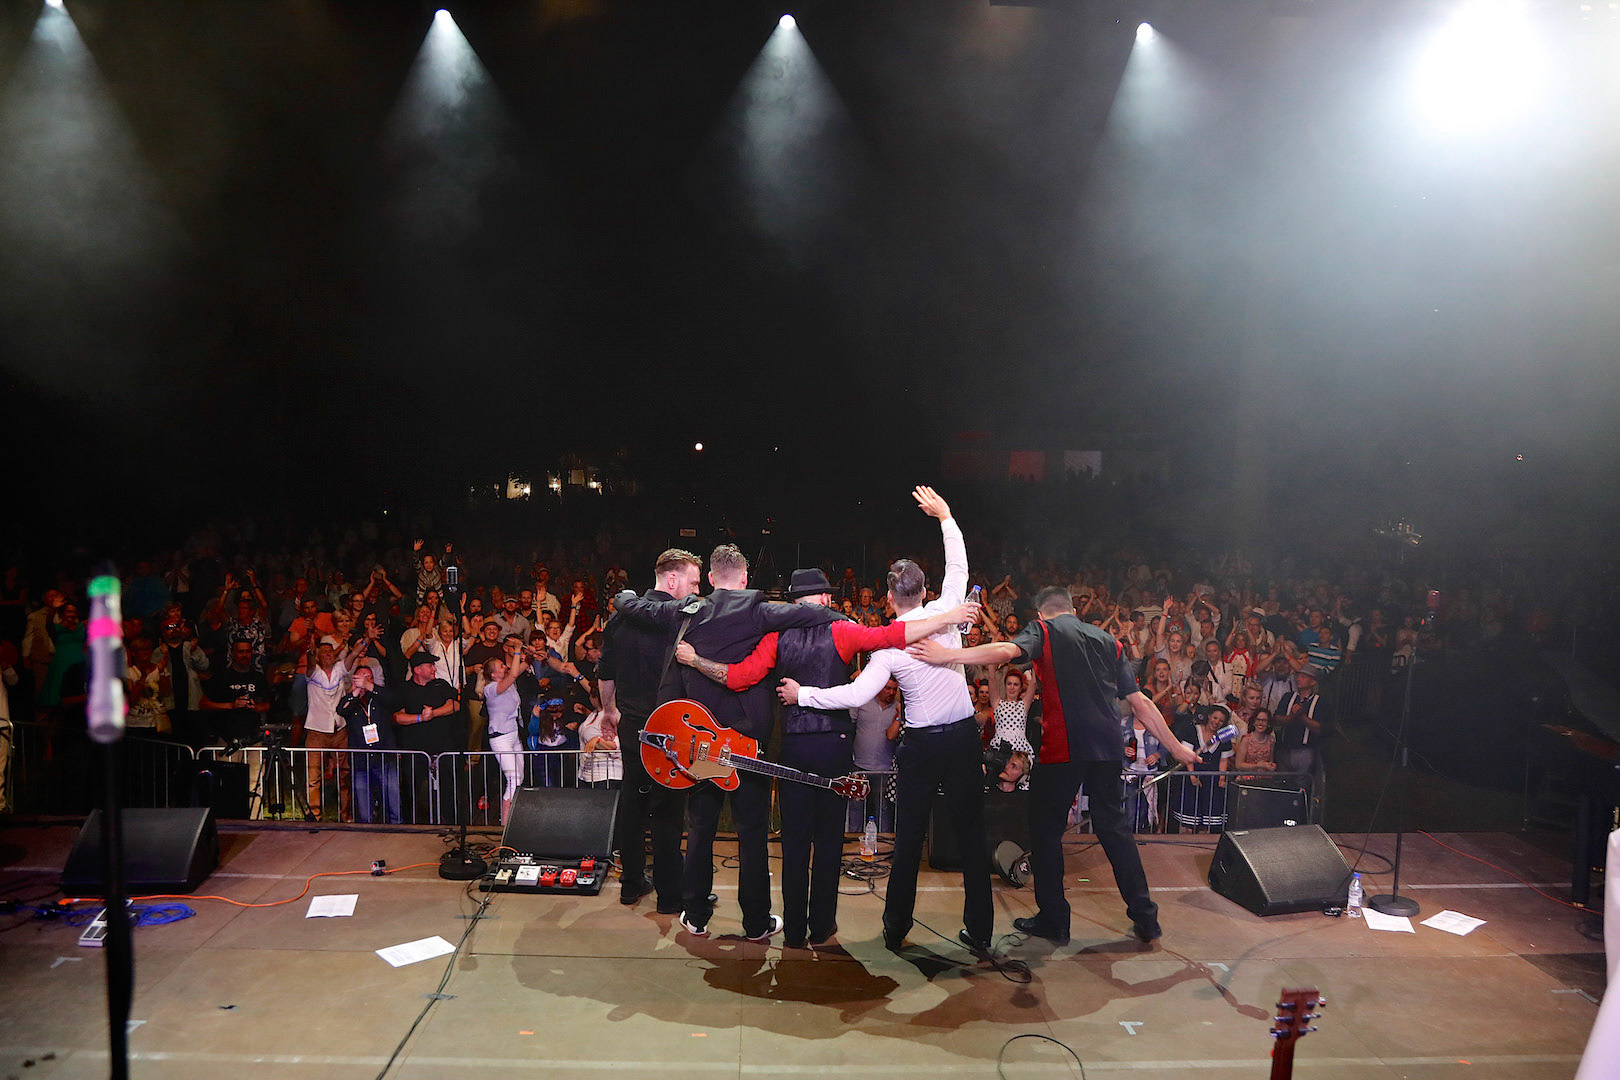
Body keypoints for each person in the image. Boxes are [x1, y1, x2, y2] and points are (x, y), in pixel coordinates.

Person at [675, 566, 976, 950]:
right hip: (833, 746)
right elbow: (890, 635)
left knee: (795, 844)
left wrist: (696, 660)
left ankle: (796, 932)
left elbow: (738, 678)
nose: (831, 601)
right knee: (830, 842)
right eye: (827, 596)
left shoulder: (776, 636)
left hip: (795, 749)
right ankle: (821, 927)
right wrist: (948, 618)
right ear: (820, 599)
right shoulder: (842, 629)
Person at [910, 585, 1197, 945]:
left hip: (1064, 747)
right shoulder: (1111, 642)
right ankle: (1146, 918)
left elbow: (1006, 650)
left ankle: (1054, 920)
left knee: (1045, 832)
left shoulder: (1044, 630)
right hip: (1108, 748)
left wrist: (944, 654)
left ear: (1041, 612)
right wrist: (1177, 749)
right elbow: (1140, 703)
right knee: (1115, 830)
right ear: (1073, 609)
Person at [776, 487, 995, 956]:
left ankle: (896, 930)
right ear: (924, 590)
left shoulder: (891, 642)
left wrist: (803, 693)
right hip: (961, 739)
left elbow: (856, 694)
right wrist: (946, 516)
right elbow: (958, 565)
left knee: (910, 840)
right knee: (972, 837)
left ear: (890, 596)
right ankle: (980, 931)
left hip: (919, 746)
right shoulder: (947, 610)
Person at [614, 544, 842, 943]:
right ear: (745, 579)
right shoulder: (759, 610)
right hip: (746, 742)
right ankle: (756, 923)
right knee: (751, 833)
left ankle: (697, 916)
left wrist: (623, 595)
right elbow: (813, 612)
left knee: (701, 829)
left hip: (699, 743)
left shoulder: (690, 609)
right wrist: (845, 619)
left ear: (713, 579)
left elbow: (636, 609)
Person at [597, 549, 703, 911]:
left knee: (633, 801)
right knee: (668, 810)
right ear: (672, 579)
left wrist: (609, 711)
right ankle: (670, 895)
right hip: (669, 729)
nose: (695, 591)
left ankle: (631, 885)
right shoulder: (678, 619)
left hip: (632, 725)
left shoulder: (619, 620)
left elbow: (605, 673)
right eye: (692, 582)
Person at [393, 652, 460, 822]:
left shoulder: (441, 685)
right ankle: (411, 824)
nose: (434, 669)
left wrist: (433, 714)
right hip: (415, 750)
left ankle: (451, 822)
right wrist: (420, 718)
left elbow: (455, 705)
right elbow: (397, 717)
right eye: (430, 666)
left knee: (448, 789)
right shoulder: (404, 689)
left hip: (443, 748)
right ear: (417, 669)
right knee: (411, 789)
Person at [340, 663, 400, 824]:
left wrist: (369, 686)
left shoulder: (380, 697)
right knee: (363, 806)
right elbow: (341, 710)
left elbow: (393, 699)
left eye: (369, 677)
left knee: (392, 800)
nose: (365, 681)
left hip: (384, 758)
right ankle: (365, 834)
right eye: (361, 677)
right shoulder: (351, 700)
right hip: (360, 761)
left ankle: (397, 831)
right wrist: (356, 691)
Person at [480, 652, 528, 823]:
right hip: (500, 738)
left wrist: (528, 655)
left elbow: (523, 666)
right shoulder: (491, 688)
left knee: (519, 778)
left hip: (513, 735)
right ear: (493, 674)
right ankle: (505, 822)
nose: (505, 667)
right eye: (501, 666)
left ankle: (513, 819)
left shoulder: (509, 683)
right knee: (513, 779)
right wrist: (515, 652)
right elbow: (514, 673)